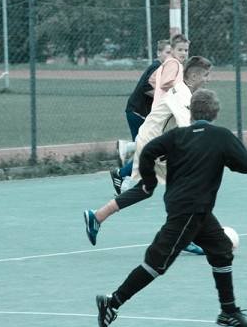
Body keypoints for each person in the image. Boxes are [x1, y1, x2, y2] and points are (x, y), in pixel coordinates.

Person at [95, 88, 247, 327]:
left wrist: (149, 183)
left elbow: (148, 151)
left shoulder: (177, 136)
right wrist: (226, 158)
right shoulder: (221, 136)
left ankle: (228, 311)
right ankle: (113, 302)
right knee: (156, 263)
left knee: (222, 250)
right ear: (215, 113)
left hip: (193, 209)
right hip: (189, 210)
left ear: (191, 112)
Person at [85, 56, 213, 255]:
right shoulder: (182, 95)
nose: (208, 79)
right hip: (154, 145)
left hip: (153, 143)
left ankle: (98, 216)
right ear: (194, 76)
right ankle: (184, 236)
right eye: (206, 75)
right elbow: (187, 129)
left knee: (146, 189)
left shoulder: (184, 92)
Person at [112, 39, 171, 193]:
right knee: (147, 151)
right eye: (167, 52)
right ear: (159, 53)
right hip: (137, 113)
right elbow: (146, 88)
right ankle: (121, 172)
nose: (170, 56)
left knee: (144, 150)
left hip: (136, 112)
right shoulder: (157, 67)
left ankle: (123, 177)